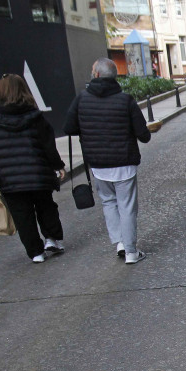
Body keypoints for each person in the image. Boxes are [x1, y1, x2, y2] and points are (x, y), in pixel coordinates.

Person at [64, 58, 151, 264]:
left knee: (109, 203)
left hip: (98, 164)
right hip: (124, 163)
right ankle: (131, 252)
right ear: (115, 77)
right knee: (127, 206)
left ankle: (119, 243)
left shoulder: (81, 99)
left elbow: (69, 128)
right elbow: (143, 135)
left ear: (95, 75)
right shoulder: (126, 100)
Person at [0, 74, 66, 264]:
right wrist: (57, 165)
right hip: (37, 173)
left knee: (22, 215)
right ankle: (51, 239)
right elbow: (47, 145)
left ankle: (35, 252)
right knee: (46, 206)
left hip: (9, 177)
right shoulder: (35, 116)